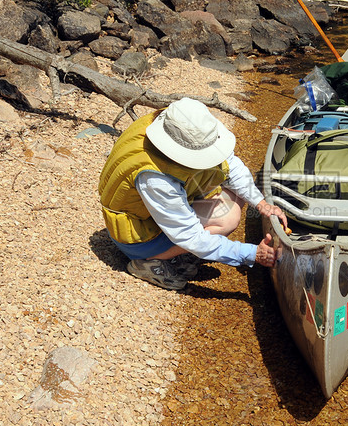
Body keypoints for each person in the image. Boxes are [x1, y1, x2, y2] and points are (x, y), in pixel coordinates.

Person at [99, 97, 288, 290]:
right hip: (137, 237)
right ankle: (151, 261)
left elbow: (230, 166)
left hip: (151, 213)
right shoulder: (155, 178)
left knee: (237, 194)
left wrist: (261, 203)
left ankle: (175, 253)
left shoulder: (173, 122)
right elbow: (191, 236)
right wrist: (251, 253)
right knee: (228, 218)